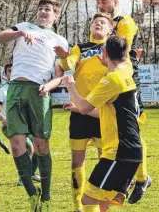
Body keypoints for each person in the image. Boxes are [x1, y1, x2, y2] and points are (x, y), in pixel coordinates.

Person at [0, 0, 68, 211]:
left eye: (48, 10)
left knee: (41, 145)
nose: (44, 12)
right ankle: (32, 195)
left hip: (39, 92)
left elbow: (59, 75)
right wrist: (18, 33)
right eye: (41, 9)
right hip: (17, 90)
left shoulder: (59, 41)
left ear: (56, 15)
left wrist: (49, 86)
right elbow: (0, 38)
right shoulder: (24, 27)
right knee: (17, 146)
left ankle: (45, 198)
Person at [62, 35, 142, 212]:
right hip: (128, 149)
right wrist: (76, 108)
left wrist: (70, 86)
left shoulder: (111, 80)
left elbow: (85, 107)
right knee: (103, 202)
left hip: (118, 152)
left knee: (88, 198)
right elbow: (104, 112)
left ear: (104, 52)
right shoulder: (125, 75)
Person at [95, 0, 151, 203]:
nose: (100, 5)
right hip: (112, 81)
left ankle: (141, 178)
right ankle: (132, 176)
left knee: (133, 132)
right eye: (98, 2)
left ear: (115, 1)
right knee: (121, 134)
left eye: (104, 1)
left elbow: (122, 53)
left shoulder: (125, 23)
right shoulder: (104, 24)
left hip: (127, 82)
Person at [54, 13, 113, 212]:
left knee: (104, 162)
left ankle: (102, 207)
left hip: (101, 112)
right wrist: (64, 56)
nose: (98, 24)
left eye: (103, 22)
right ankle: (78, 206)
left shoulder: (111, 50)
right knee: (77, 162)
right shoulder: (81, 47)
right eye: (95, 22)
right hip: (79, 111)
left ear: (109, 30)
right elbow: (68, 64)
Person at [0, 63, 40, 184]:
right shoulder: (3, 89)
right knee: (28, 147)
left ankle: (31, 173)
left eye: (15, 70)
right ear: (5, 74)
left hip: (26, 124)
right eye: (9, 71)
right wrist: (3, 118)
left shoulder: (25, 88)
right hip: (10, 125)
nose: (12, 73)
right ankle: (23, 177)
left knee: (39, 145)